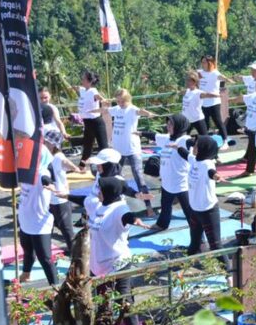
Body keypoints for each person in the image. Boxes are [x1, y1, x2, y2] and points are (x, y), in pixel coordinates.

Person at [85, 149, 153, 325]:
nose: (97, 166)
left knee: (124, 299)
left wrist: (139, 200)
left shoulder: (116, 183)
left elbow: (127, 194)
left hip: (115, 231)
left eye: (100, 163)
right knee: (104, 301)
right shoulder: (99, 178)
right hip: (101, 236)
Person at [102, 88, 156, 217]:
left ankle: (148, 206)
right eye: (118, 101)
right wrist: (87, 112)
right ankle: (115, 201)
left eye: (122, 101)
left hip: (132, 149)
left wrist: (148, 113)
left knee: (138, 177)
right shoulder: (116, 109)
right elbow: (104, 110)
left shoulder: (132, 109)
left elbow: (140, 111)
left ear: (127, 100)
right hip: (118, 150)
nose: (120, 104)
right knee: (115, 176)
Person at [18, 144, 64, 285]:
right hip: (25, 220)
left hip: (39, 224)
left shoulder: (42, 172)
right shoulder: (27, 171)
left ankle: (55, 287)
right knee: (27, 251)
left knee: (45, 258)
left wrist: (51, 186)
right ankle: (25, 275)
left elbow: (46, 180)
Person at [183, 135, 226, 256]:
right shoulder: (195, 160)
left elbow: (211, 172)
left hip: (208, 211)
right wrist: (176, 147)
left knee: (216, 246)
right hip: (195, 210)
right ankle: (186, 266)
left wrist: (217, 177)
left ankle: (230, 273)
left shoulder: (207, 163)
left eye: (196, 145)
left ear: (203, 148)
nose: (194, 147)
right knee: (194, 244)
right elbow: (185, 154)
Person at [153, 113, 193, 232]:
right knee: (165, 206)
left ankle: (198, 236)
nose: (168, 126)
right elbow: (153, 136)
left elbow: (191, 142)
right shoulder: (166, 138)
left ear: (179, 126)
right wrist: (139, 133)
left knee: (189, 211)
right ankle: (162, 224)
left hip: (181, 184)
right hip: (167, 183)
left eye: (171, 124)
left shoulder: (183, 139)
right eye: (168, 123)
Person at [43, 128, 79, 255]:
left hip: (59, 198)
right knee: (48, 227)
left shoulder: (58, 157)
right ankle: (45, 251)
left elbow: (66, 162)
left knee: (66, 229)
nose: (44, 143)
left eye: (47, 142)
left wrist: (75, 168)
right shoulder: (45, 155)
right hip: (48, 198)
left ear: (53, 144)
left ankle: (76, 254)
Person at [75, 71, 106, 168]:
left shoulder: (93, 91)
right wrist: (73, 87)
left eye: (83, 79)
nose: (82, 80)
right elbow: (78, 88)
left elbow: (99, 97)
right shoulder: (84, 90)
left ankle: (108, 166)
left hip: (96, 122)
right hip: (87, 122)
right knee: (87, 145)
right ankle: (81, 166)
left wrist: (103, 100)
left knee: (103, 146)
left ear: (89, 81)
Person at [198, 55, 230, 141]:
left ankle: (225, 140)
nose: (203, 64)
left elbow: (222, 79)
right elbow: (192, 76)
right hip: (203, 103)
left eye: (205, 62)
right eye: (202, 62)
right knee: (205, 123)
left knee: (218, 122)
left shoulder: (215, 73)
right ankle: (204, 140)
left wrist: (227, 81)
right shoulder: (200, 73)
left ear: (210, 63)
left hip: (214, 102)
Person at [182, 71, 212, 135]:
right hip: (186, 120)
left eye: (190, 81)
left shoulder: (198, 92)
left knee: (205, 138)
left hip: (197, 119)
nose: (188, 82)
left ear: (195, 82)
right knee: (183, 139)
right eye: (187, 80)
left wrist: (218, 95)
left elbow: (208, 95)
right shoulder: (186, 91)